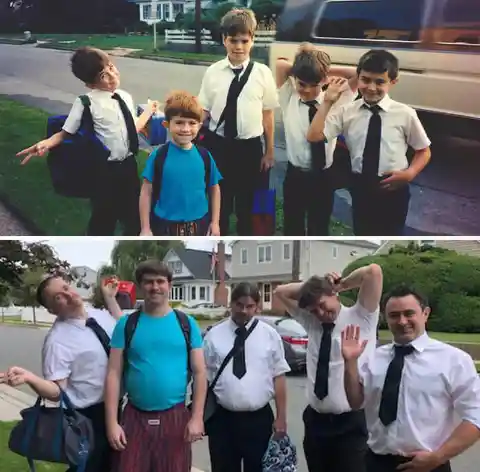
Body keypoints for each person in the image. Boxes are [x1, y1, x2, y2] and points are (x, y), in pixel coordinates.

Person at [16, 46, 158, 236]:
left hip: (128, 166)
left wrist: (149, 110)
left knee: (133, 212)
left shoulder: (125, 97)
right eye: (103, 76)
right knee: (103, 215)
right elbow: (65, 133)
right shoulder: (85, 102)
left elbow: (133, 128)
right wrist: (46, 143)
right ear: (90, 85)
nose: (113, 75)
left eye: (111, 67)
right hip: (104, 170)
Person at [342, 285, 480, 472]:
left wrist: (437, 457)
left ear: (425, 313)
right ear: (385, 318)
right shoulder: (374, 357)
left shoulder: (453, 360)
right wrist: (350, 363)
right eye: (394, 315)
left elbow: (475, 417)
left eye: (409, 313)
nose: (402, 321)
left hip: (429, 465)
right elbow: (356, 401)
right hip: (376, 463)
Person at [0, 274, 123, 472]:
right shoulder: (57, 341)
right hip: (90, 417)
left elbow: (126, 329)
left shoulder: (99, 315)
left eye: (66, 287)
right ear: (51, 310)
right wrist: (30, 378)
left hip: (120, 407)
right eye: (58, 297)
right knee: (92, 466)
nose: (68, 295)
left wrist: (110, 298)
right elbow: (57, 392)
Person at [307, 49, 432, 236]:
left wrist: (410, 174)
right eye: (365, 80)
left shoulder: (405, 114)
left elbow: (424, 150)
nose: (371, 87)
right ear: (357, 79)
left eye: (380, 81)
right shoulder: (347, 112)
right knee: (362, 232)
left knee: (391, 235)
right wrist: (327, 102)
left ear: (393, 82)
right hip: (361, 187)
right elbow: (314, 136)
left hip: (393, 187)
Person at [274, 264, 383, 472]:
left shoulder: (362, 316)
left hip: (351, 423)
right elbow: (280, 292)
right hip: (316, 423)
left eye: (323, 305)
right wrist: (315, 286)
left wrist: (339, 284)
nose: (322, 313)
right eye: (314, 310)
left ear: (334, 295)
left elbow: (374, 272)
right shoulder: (310, 321)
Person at [105, 260, 207, 472]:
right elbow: (113, 373)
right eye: (149, 282)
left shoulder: (187, 324)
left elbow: (199, 372)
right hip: (134, 417)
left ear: (169, 285)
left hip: (175, 417)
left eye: (160, 281)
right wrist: (112, 423)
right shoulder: (126, 324)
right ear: (141, 286)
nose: (155, 287)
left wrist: (197, 418)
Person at [198, 8, 279, 236]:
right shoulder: (213, 72)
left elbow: (267, 115)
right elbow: (203, 111)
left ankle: (245, 235)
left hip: (250, 148)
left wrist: (269, 151)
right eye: (233, 40)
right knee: (219, 203)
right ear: (224, 40)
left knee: (248, 206)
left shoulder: (263, 73)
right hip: (219, 146)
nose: (239, 46)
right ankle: (218, 236)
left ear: (252, 40)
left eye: (244, 40)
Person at [203, 282, 290, 472]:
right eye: (239, 305)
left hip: (259, 420)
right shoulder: (214, 336)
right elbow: (204, 379)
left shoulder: (270, 335)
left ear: (257, 306)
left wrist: (281, 417)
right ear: (231, 303)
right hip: (223, 420)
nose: (244, 311)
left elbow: (279, 377)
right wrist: (197, 417)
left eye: (250, 306)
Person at [275, 42, 357, 236]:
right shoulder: (289, 96)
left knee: (318, 225)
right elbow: (280, 65)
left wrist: (324, 71)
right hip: (296, 174)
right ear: (295, 79)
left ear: (324, 81)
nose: (307, 90)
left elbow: (357, 74)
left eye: (315, 85)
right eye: (302, 84)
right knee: (292, 224)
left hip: (323, 176)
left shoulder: (335, 100)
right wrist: (306, 60)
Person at [139, 90, 222, 236]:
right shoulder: (159, 156)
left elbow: (214, 189)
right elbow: (146, 192)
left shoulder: (204, 156)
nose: (185, 129)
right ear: (166, 124)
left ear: (199, 125)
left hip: (199, 224)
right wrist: (145, 228)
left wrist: (215, 222)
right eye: (179, 123)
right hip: (165, 225)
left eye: (192, 123)